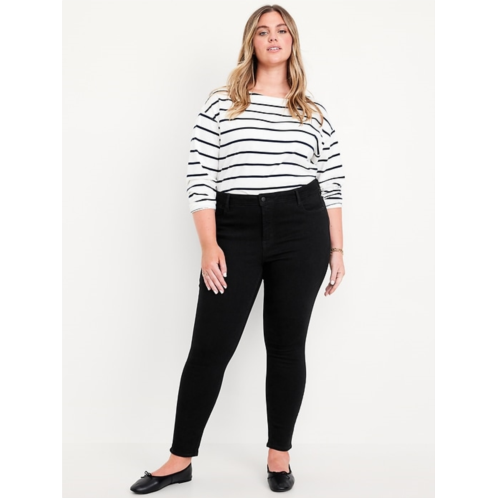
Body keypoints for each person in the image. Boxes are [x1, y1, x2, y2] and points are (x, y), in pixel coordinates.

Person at [130, 4, 345, 494]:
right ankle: (179, 458)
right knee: (209, 348)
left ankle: (279, 454)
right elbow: (200, 175)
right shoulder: (222, 103)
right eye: (263, 32)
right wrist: (209, 245)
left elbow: (332, 182)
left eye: (282, 30)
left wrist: (337, 249)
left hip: (302, 228)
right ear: (252, 42)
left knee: (286, 347)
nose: (273, 38)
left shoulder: (312, 111)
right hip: (234, 229)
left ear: (292, 41)